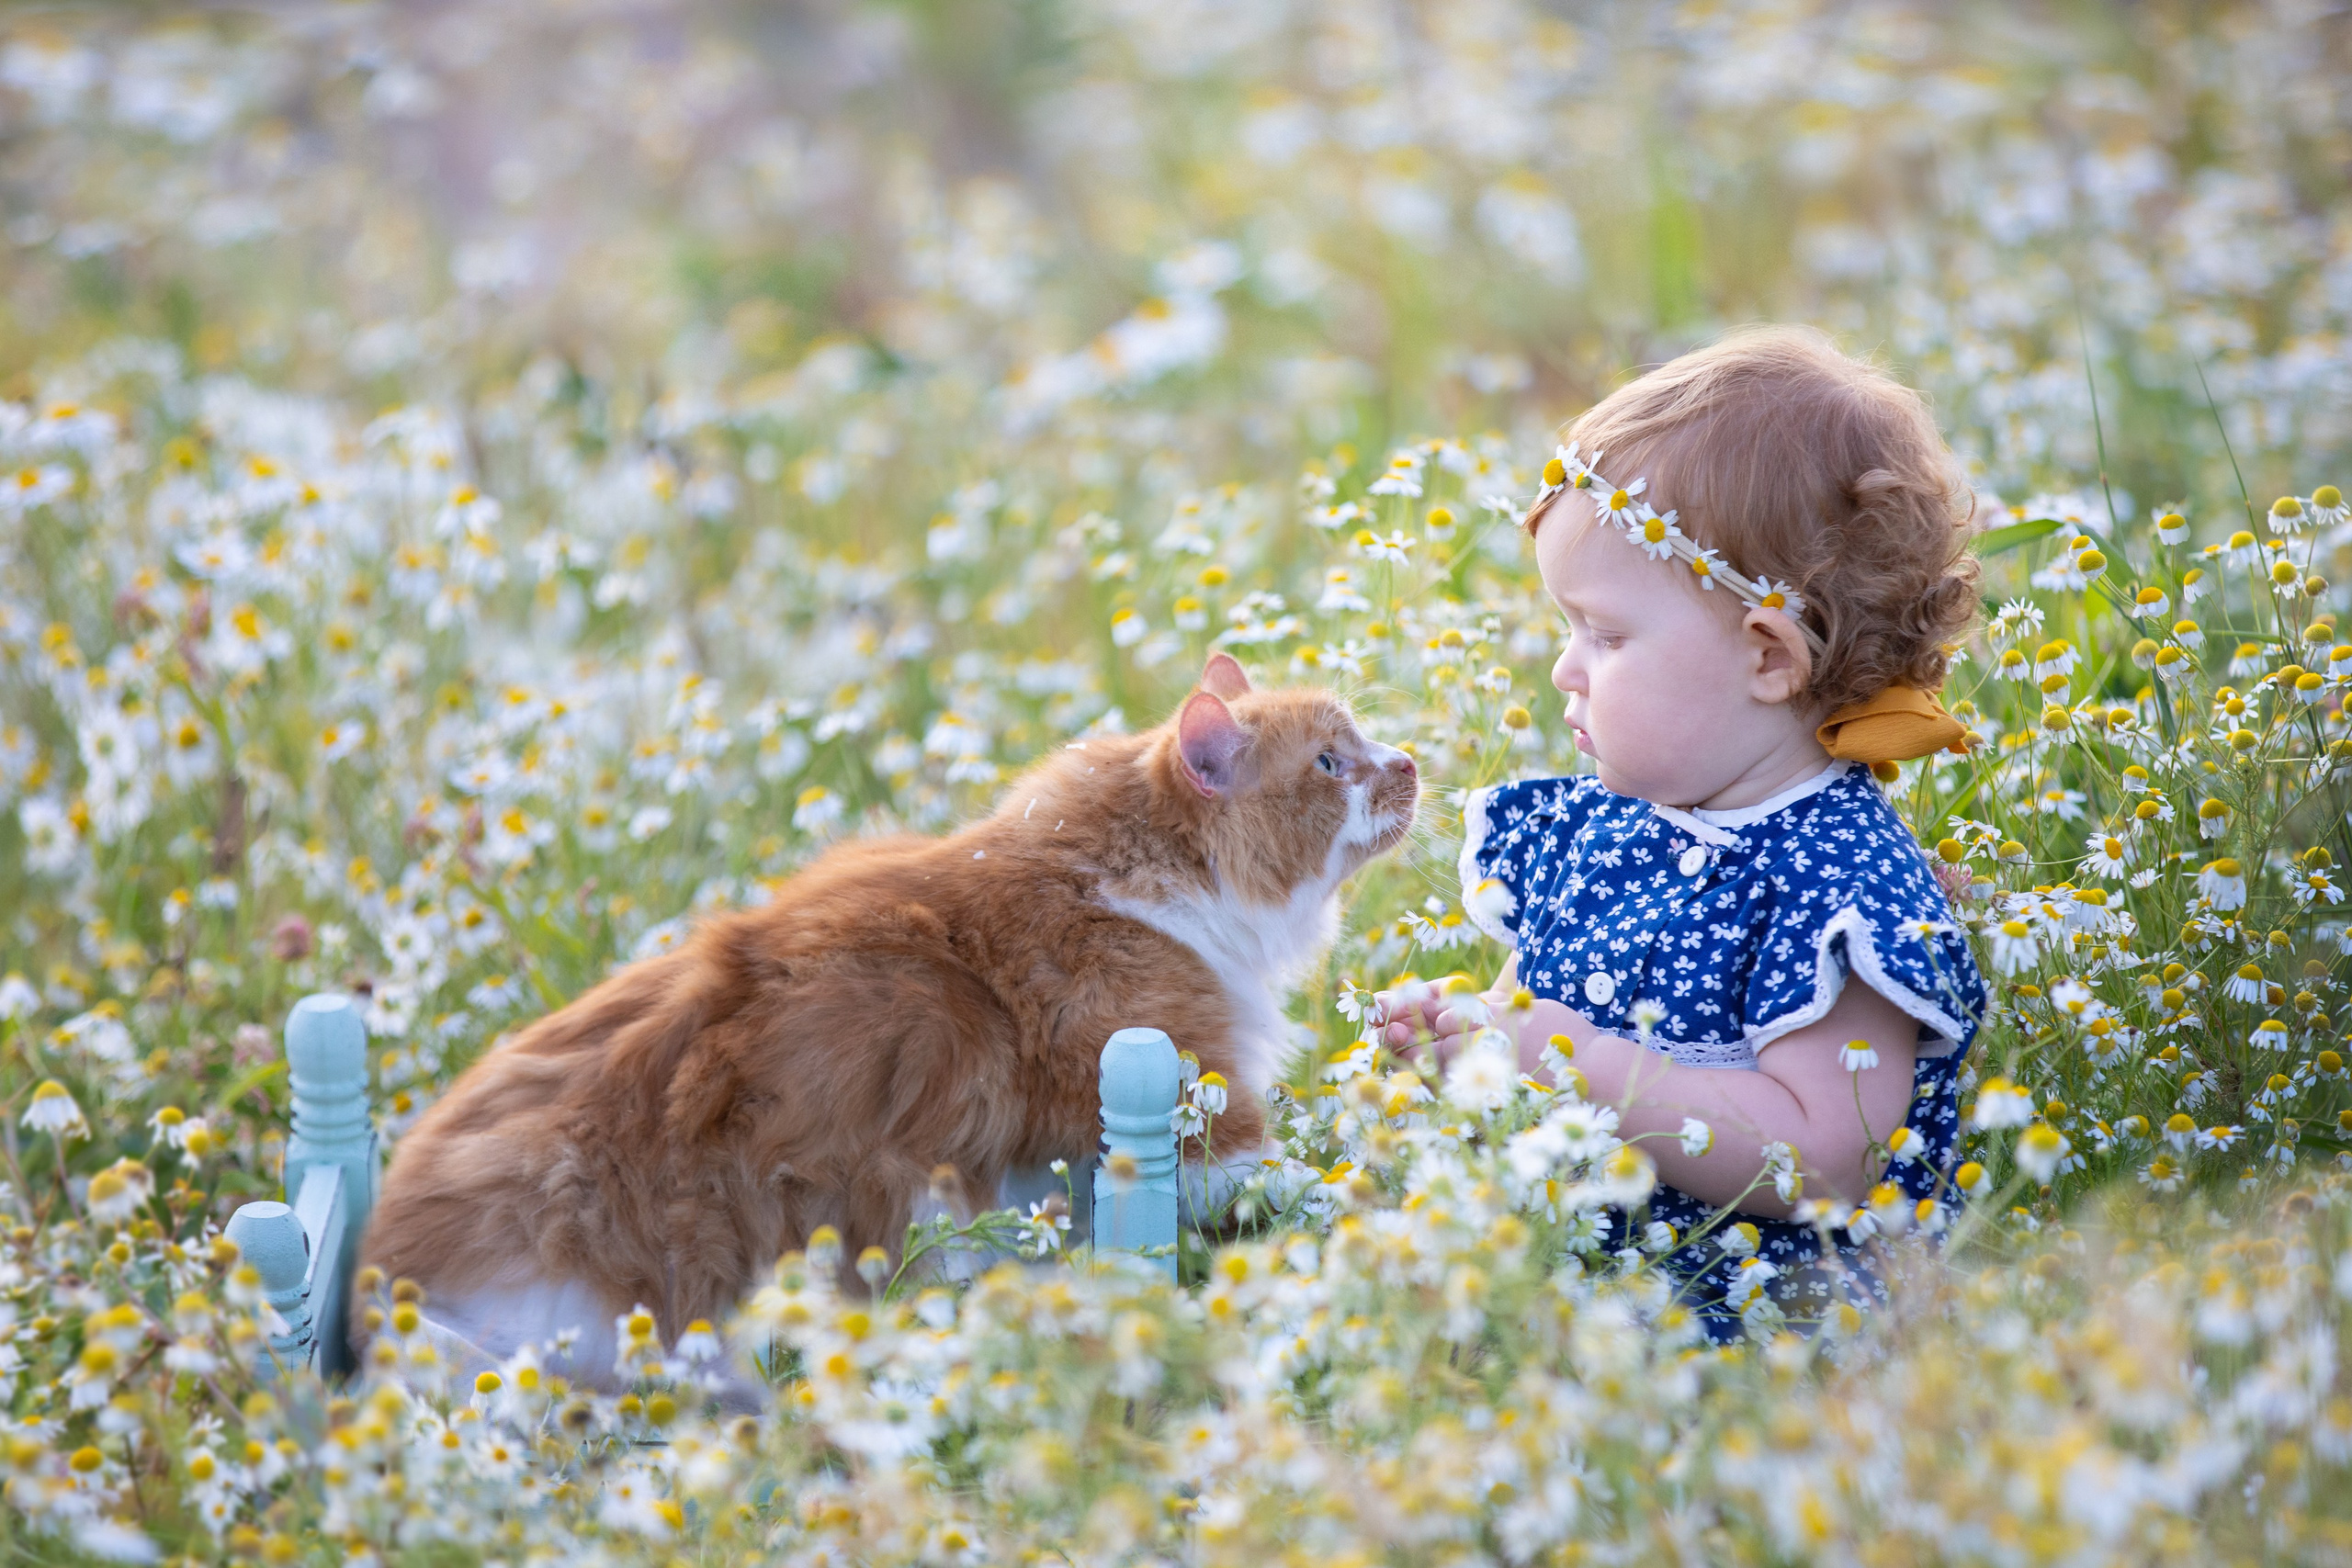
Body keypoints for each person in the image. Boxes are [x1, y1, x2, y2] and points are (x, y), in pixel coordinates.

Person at [1374, 325, 1988, 1341]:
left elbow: (1824, 1159)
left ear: (1766, 658)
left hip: (1756, 1333)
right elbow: (1528, 1032)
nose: (1566, 670)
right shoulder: (1602, 826)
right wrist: (1469, 1046)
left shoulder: (1838, 886)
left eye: (1605, 636)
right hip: (1580, 1290)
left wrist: (1558, 1053)